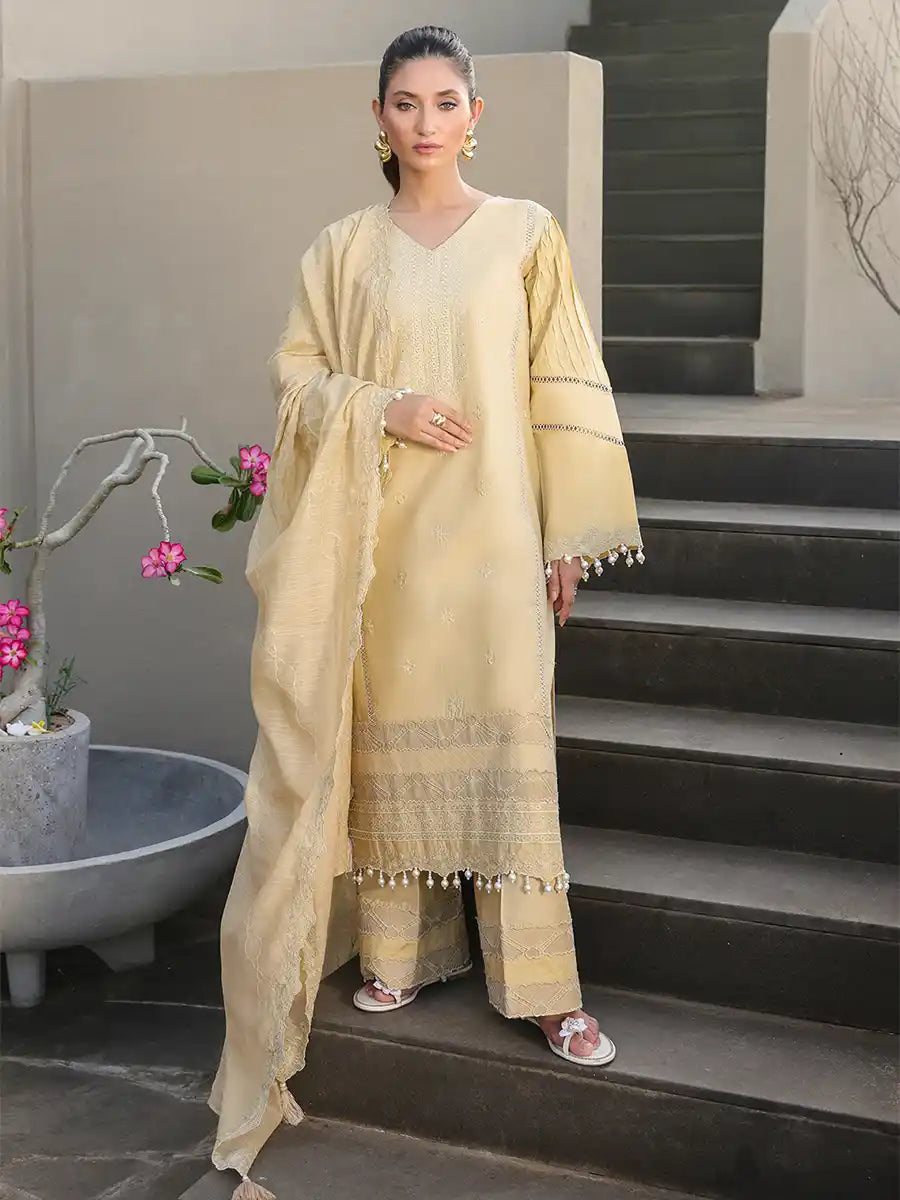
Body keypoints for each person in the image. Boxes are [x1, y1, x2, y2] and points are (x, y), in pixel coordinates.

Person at [208, 25, 644, 1200]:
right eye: (405, 102)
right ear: (378, 118)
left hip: (496, 537)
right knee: (395, 744)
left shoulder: (527, 235)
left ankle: (545, 990)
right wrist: (382, 405)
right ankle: (399, 953)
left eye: (446, 101)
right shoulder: (343, 250)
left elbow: (562, 381)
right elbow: (297, 376)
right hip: (383, 548)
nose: (426, 122)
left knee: (507, 751)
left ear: (475, 116)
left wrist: (564, 533)